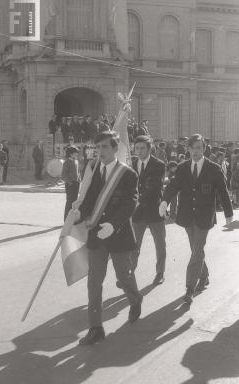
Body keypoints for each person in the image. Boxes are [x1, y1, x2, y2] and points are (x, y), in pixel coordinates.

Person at [74, 131, 143, 345]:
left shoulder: (128, 174)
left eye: (105, 147)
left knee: (124, 276)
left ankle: (135, 299)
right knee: (94, 282)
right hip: (97, 235)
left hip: (118, 233)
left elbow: (130, 203)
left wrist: (113, 224)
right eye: (97, 147)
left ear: (115, 149)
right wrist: (78, 213)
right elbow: (89, 201)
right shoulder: (94, 171)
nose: (100, 152)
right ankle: (96, 328)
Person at [159, 133, 233, 305]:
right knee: (196, 250)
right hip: (187, 215)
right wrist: (164, 201)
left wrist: (229, 213)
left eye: (199, 147)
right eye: (192, 148)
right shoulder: (183, 167)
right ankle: (205, 276)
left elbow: (222, 191)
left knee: (197, 249)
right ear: (188, 149)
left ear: (204, 149)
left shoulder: (214, 168)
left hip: (204, 216)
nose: (195, 151)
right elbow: (173, 185)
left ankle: (189, 288)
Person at [131, 135, 166, 286]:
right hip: (137, 213)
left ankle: (160, 273)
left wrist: (138, 201)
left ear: (149, 148)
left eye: (142, 148)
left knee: (160, 244)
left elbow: (154, 187)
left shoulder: (158, 164)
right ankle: (129, 273)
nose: (139, 151)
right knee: (133, 245)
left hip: (154, 210)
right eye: (136, 148)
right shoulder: (131, 163)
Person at [61, 146, 81, 221]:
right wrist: (70, 183)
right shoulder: (67, 162)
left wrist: (79, 179)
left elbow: (78, 172)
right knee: (69, 202)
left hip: (76, 184)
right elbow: (63, 175)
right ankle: (66, 219)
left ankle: (71, 218)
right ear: (71, 153)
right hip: (70, 185)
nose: (77, 154)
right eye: (76, 153)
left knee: (74, 202)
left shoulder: (76, 161)